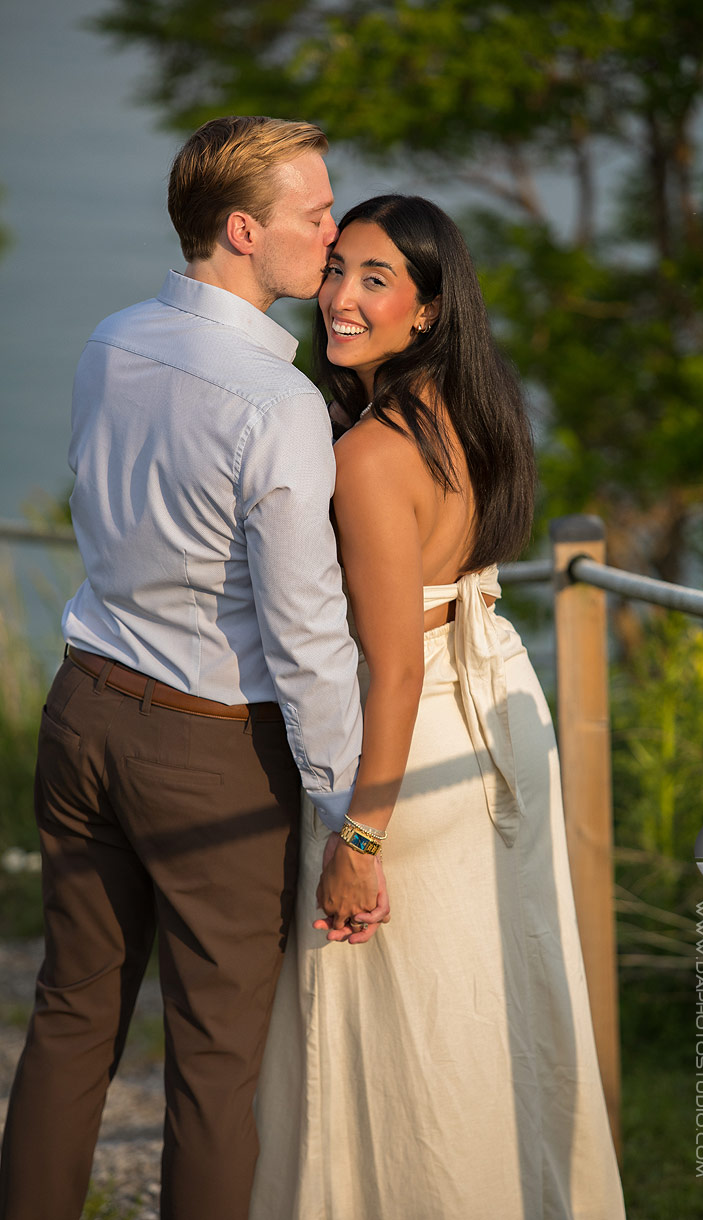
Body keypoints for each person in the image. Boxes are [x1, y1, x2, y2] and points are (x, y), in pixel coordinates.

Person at [0, 116, 367, 1220]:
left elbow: (96, 501)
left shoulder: (111, 337)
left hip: (82, 709)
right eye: (316, 214)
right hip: (209, 752)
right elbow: (308, 637)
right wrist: (355, 819)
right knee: (214, 1069)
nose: (333, 234)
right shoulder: (281, 404)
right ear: (246, 231)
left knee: (71, 1015)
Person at [249, 195, 627, 1220]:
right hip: (497, 711)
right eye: (336, 269)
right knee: (483, 1004)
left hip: (407, 746)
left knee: (397, 1029)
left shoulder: (371, 453)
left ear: (427, 311)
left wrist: (360, 831)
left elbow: (395, 667)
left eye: (376, 279)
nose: (338, 296)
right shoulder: (469, 416)